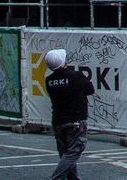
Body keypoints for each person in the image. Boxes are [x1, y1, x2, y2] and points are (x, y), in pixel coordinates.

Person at [43, 47, 94, 180]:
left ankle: (73, 178)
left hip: (58, 121)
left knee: (65, 153)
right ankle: (56, 178)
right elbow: (90, 90)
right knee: (73, 152)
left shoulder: (49, 80)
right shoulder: (76, 76)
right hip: (76, 120)